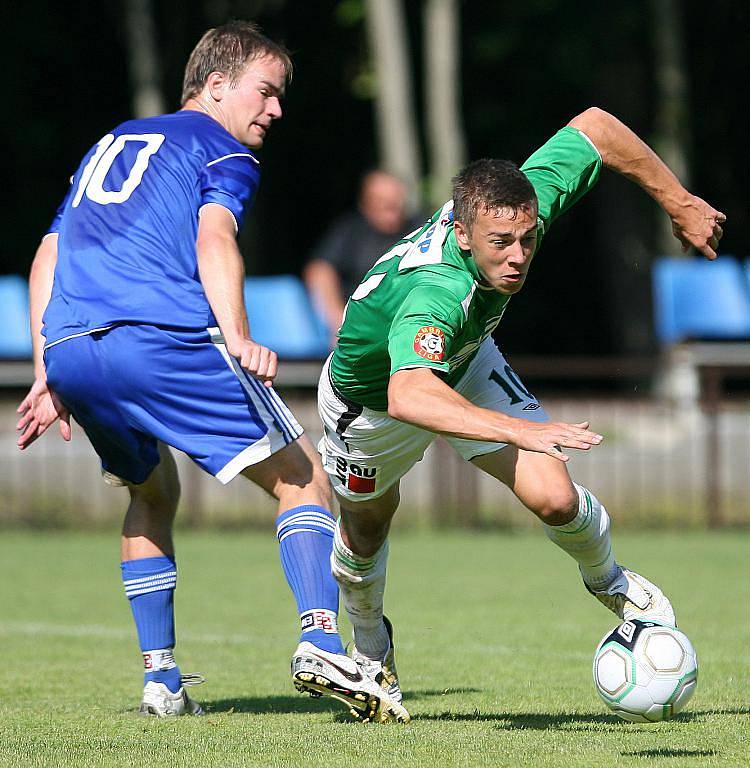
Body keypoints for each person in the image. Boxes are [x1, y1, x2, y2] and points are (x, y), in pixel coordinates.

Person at [15, 21, 408, 724]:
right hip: (157, 337)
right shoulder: (218, 146)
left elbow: (48, 253)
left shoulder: (112, 141)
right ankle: (320, 639)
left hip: (73, 344)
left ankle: (161, 680)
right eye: (267, 91)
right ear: (217, 85)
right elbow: (214, 235)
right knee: (303, 476)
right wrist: (240, 335)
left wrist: (49, 369)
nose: (276, 109)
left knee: (152, 491)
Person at [315, 107, 725, 721]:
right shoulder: (437, 291)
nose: (517, 256)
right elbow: (410, 396)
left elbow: (597, 128)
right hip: (369, 407)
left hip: (464, 362)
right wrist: (524, 430)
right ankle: (371, 646)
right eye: (500, 244)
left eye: (526, 239)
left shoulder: (517, 206)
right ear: (461, 235)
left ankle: (610, 580)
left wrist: (680, 200)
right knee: (367, 530)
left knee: (556, 497)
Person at [304, 170, 423, 344]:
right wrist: (338, 321)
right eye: (382, 202)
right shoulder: (350, 230)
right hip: (359, 322)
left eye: (395, 200)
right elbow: (319, 270)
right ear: (365, 203)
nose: (391, 207)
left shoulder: (422, 230)